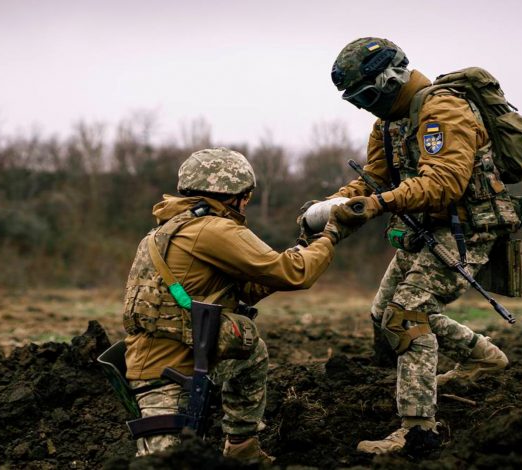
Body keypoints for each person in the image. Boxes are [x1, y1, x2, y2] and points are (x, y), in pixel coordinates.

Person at [323, 38, 511, 454]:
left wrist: (377, 204)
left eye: (368, 96)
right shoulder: (389, 122)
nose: (366, 107)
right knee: (382, 313)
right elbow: (374, 178)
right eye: (357, 101)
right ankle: (484, 357)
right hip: (425, 227)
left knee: (406, 315)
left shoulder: (444, 110)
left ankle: (417, 430)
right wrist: (334, 206)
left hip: (467, 228)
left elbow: (444, 183)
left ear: (391, 78)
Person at [122, 147, 356, 463]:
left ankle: (242, 449)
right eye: (247, 196)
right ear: (238, 195)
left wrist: (303, 245)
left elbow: (248, 287)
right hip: (167, 377)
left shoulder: (172, 228)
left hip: (166, 361)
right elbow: (294, 273)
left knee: (250, 352)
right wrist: (330, 236)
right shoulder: (213, 229)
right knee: (169, 464)